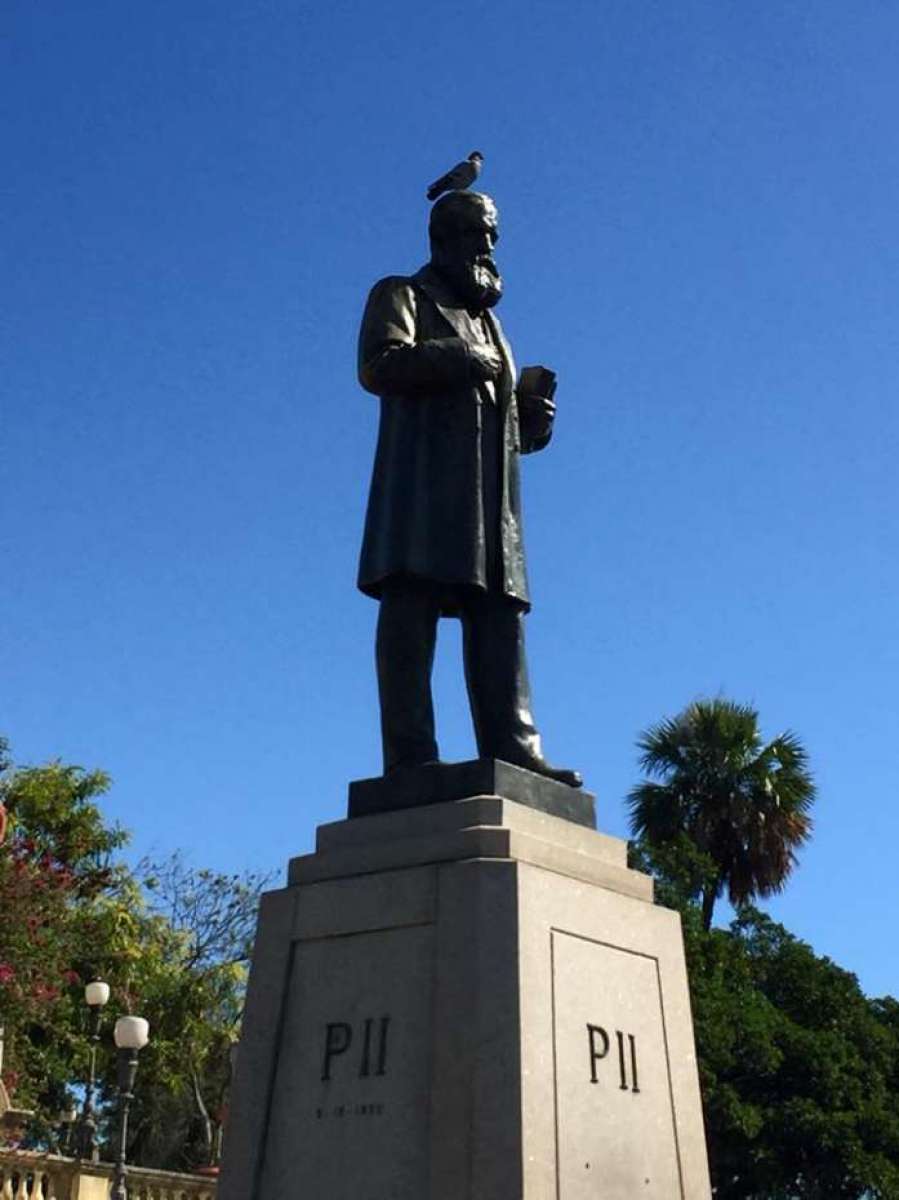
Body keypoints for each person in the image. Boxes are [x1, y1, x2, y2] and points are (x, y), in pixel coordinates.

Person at [357, 190, 581, 788]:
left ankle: (515, 747)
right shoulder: (402, 294)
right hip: (422, 491)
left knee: (500, 616)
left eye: (493, 236)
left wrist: (533, 416)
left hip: (491, 502)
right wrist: (460, 357)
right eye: (478, 233)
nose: (488, 246)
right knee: (412, 610)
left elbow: (508, 430)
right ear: (444, 238)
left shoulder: (493, 326)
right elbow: (380, 365)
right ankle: (409, 756)